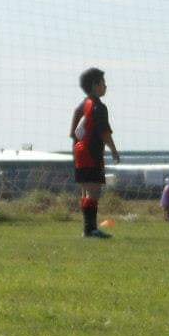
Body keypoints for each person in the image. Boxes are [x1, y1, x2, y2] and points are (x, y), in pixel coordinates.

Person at [71, 67, 120, 238]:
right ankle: (91, 229)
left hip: (79, 154)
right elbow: (104, 132)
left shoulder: (81, 106)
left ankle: (87, 229)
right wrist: (114, 150)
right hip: (92, 154)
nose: (105, 86)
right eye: (103, 83)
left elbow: (74, 134)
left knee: (85, 191)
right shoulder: (98, 107)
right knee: (94, 191)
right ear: (94, 85)